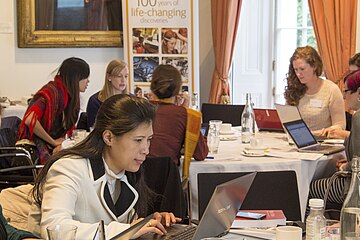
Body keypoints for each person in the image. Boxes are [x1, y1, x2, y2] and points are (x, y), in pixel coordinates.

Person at [27, 94, 181, 239]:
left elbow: (122, 226)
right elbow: (55, 228)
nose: (146, 150)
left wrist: (148, 223)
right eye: (138, 140)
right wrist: (127, 230)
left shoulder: (125, 174)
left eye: (149, 139)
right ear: (109, 137)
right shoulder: (68, 168)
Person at [17, 57, 90, 164]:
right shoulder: (50, 92)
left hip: (48, 145)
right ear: (76, 78)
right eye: (85, 78)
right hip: (33, 148)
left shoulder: (70, 97)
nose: (88, 81)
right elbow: (29, 120)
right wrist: (53, 142)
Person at [308, 69, 360, 208]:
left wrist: (345, 166)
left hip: (354, 187)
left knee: (309, 189)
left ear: (359, 92)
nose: (343, 97)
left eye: (346, 91)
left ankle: (310, 228)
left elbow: (359, 162)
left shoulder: (358, 117)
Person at [148, 64, 208, 165]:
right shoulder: (186, 114)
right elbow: (201, 154)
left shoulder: (139, 109)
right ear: (178, 91)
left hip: (137, 177)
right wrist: (185, 111)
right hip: (169, 177)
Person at [284, 46, 346, 132]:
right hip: (297, 140)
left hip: (324, 142)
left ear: (314, 66)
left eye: (302, 69)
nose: (298, 74)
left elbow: (340, 125)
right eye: (296, 70)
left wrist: (324, 132)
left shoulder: (331, 90)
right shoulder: (294, 89)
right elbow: (287, 121)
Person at [86, 60, 129, 128]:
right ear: (109, 77)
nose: (123, 80)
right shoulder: (95, 101)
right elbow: (93, 128)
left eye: (126, 76)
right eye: (119, 76)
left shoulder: (132, 100)